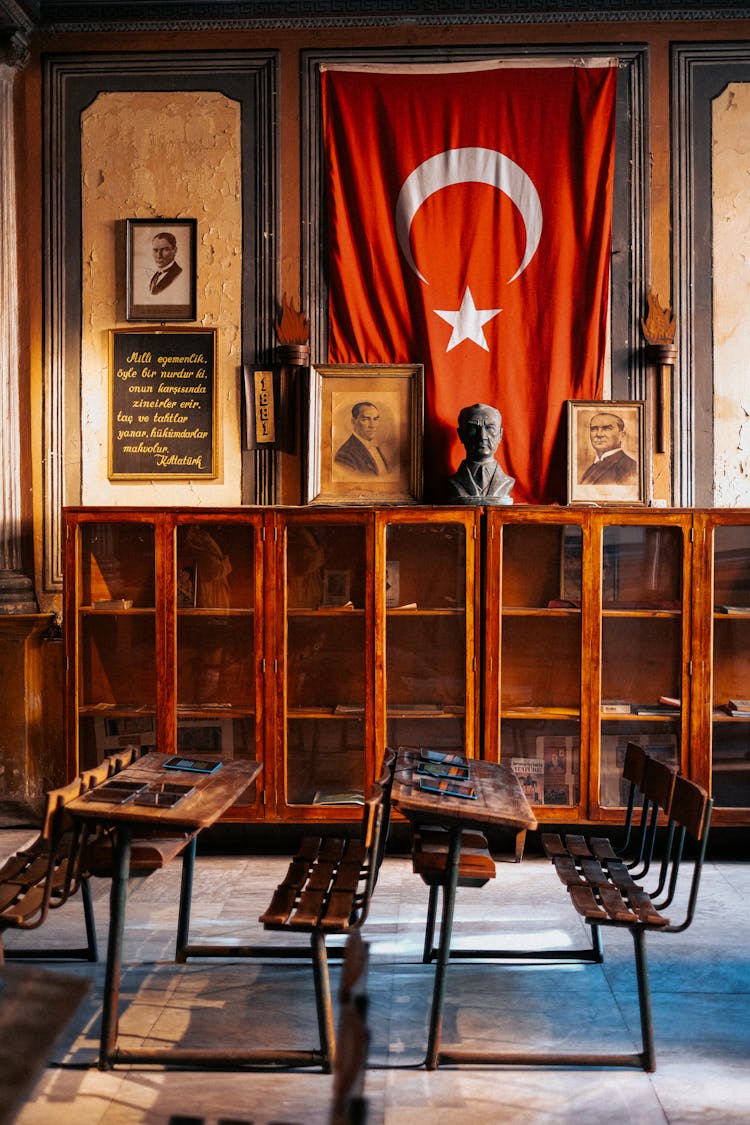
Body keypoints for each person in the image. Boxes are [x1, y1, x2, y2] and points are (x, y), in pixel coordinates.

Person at [447, 402, 514, 505]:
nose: (482, 436)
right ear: (461, 435)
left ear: (500, 435)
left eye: (489, 428)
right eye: (473, 428)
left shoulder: (507, 482)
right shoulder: (454, 482)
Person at [580, 410, 638, 485]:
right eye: (594, 429)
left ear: (622, 436)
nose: (599, 434)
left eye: (607, 429)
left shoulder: (630, 467)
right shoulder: (592, 467)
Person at [334, 401, 390, 476]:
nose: (372, 425)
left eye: (375, 419)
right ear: (353, 421)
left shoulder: (375, 448)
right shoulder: (345, 455)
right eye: (366, 419)